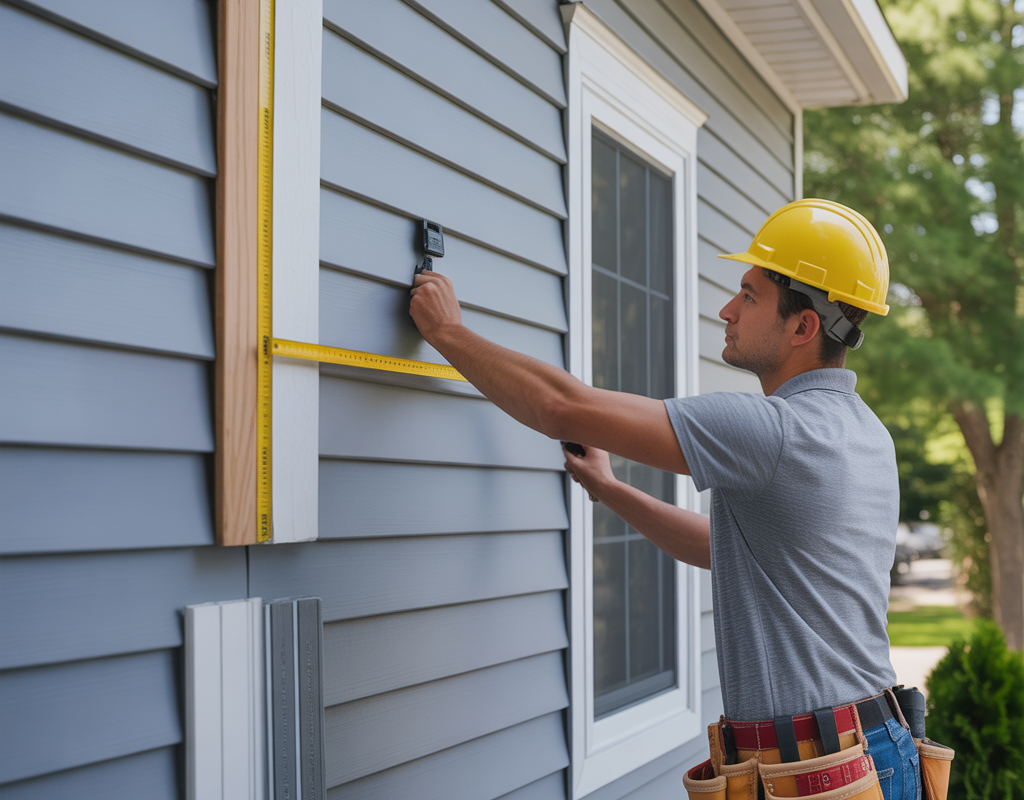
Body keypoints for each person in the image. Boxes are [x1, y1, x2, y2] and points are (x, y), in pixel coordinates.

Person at [409, 199, 933, 799]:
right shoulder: (866, 434)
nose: (727, 309)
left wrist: (447, 331)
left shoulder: (776, 431)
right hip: (874, 747)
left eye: (749, 296)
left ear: (802, 328)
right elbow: (730, 550)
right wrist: (611, 489)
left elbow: (561, 407)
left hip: (821, 770)